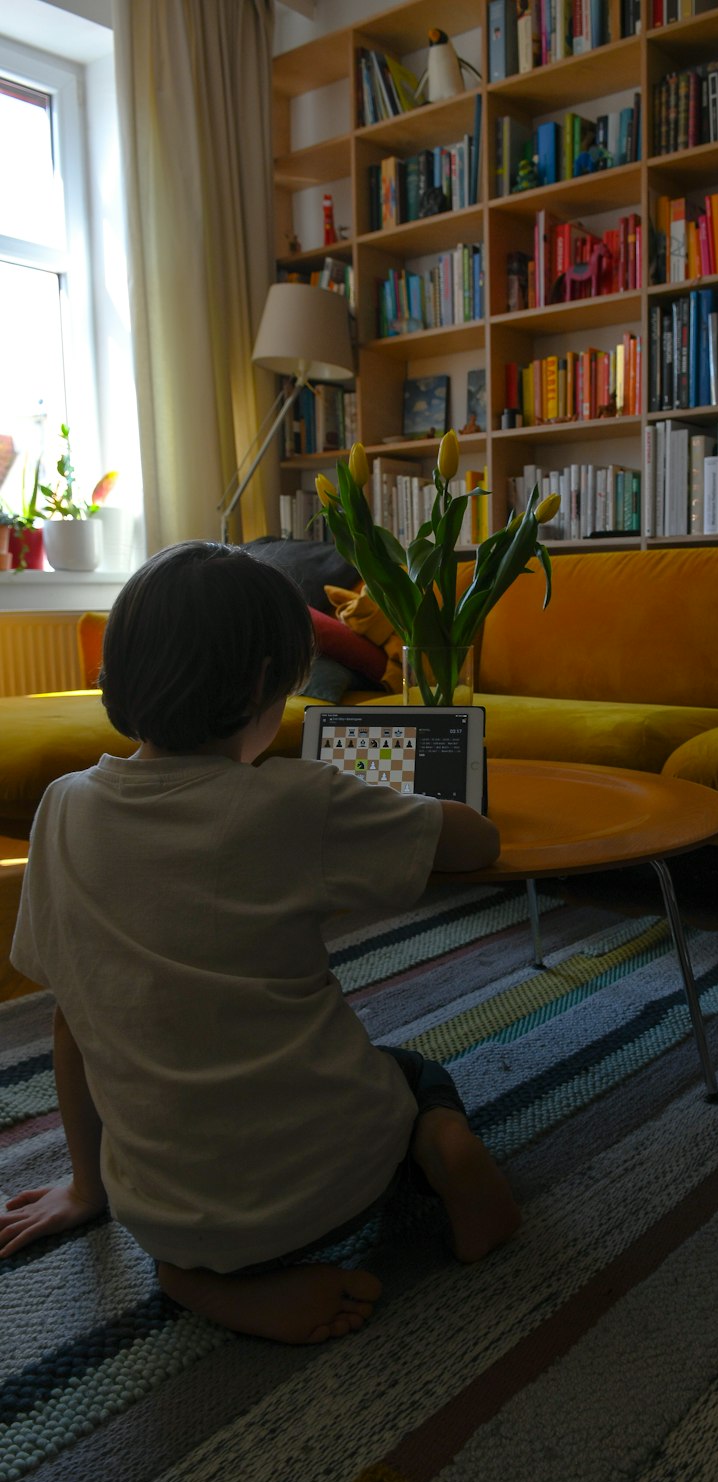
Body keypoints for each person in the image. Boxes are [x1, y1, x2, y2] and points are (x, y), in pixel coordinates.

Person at [0, 541, 519, 1344]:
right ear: (260, 687)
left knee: (174, 1233)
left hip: (166, 1211)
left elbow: (72, 1020)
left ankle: (199, 1280)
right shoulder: (297, 802)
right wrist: (399, 803)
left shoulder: (62, 811)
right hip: (341, 1174)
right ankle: (439, 1151)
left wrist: (85, 1185)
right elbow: (475, 844)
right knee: (413, 1074)